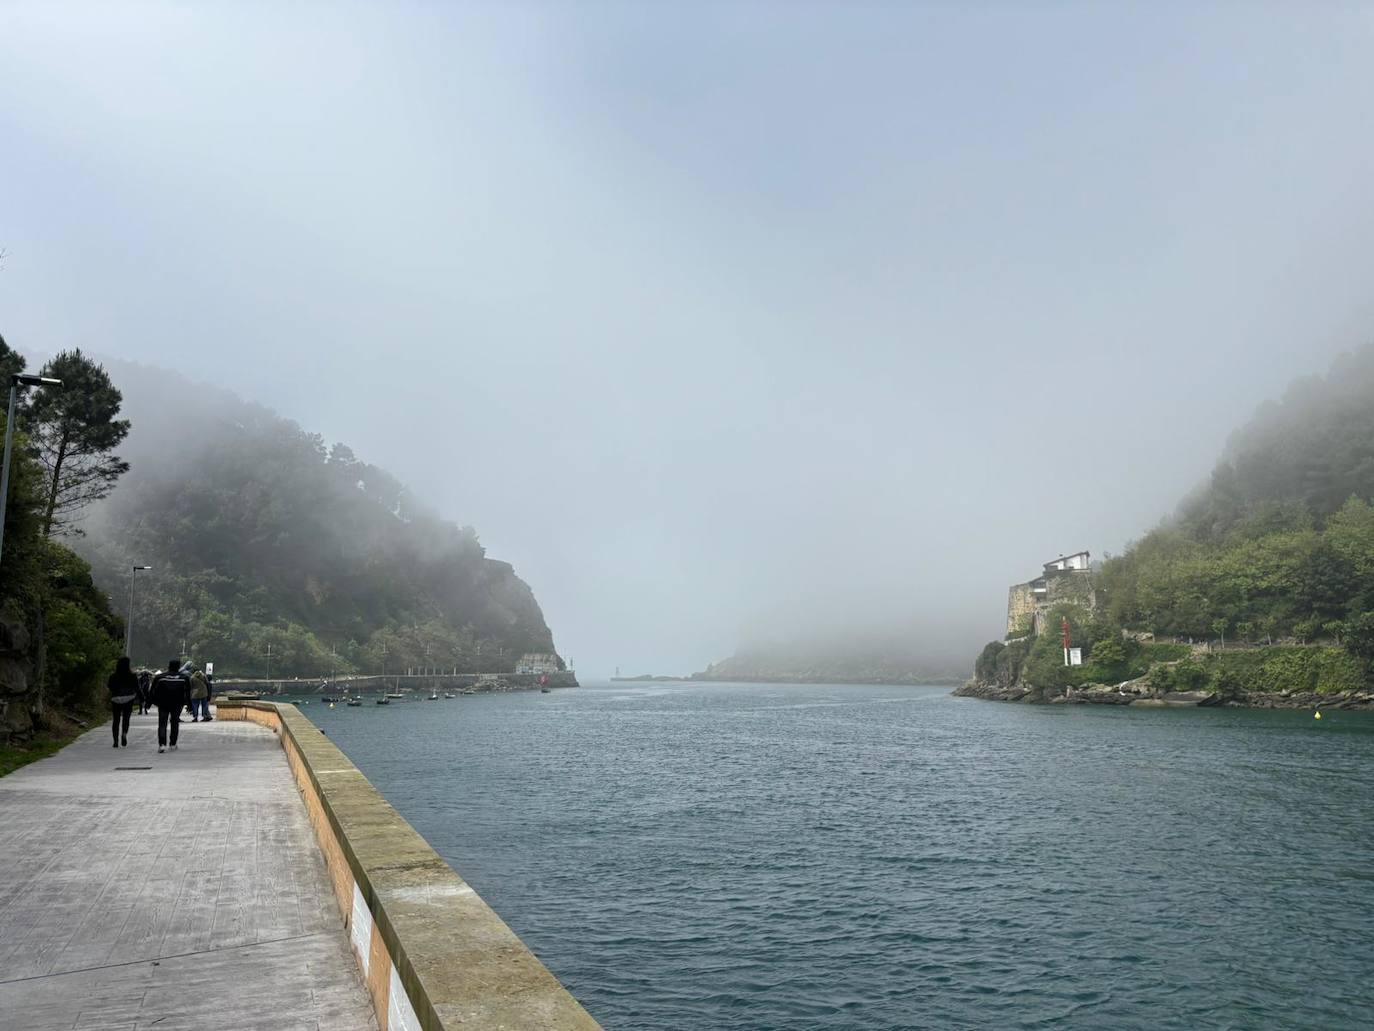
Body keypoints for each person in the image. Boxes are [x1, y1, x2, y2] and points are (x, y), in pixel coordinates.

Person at [152, 659, 190, 753]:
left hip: (163, 704)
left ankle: (162, 744)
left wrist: (153, 702)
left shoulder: (160, 677)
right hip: (177, 704)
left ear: (169, 666)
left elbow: (152, 691)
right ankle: (173, 744)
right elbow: (188, 692)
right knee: (174, 723)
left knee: (162, 724)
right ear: (179, 666)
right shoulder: (184, 677)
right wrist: (188, 704)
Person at [107, 656, 139, 748]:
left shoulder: (113, 676)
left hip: (116, 699)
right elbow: (136, 687)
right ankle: (124, 733)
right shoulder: (132, 675)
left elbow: (109, 686)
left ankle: (115, 741)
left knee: (116, 720)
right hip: (128, 699)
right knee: (126, 719)